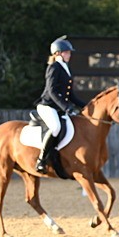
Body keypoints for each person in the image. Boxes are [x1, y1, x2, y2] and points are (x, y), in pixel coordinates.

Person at [35, 36, 86, 173]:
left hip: (58, 108)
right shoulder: (54, 67)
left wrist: (87, 106)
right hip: (47, 106)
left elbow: (70, 95)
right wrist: (67, 107)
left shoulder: (65, 68)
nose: (69, 55)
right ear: (58, 53)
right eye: (67, 52)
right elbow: (52, 91)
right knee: (56, 127)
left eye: (69, 52)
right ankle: (41, 159)